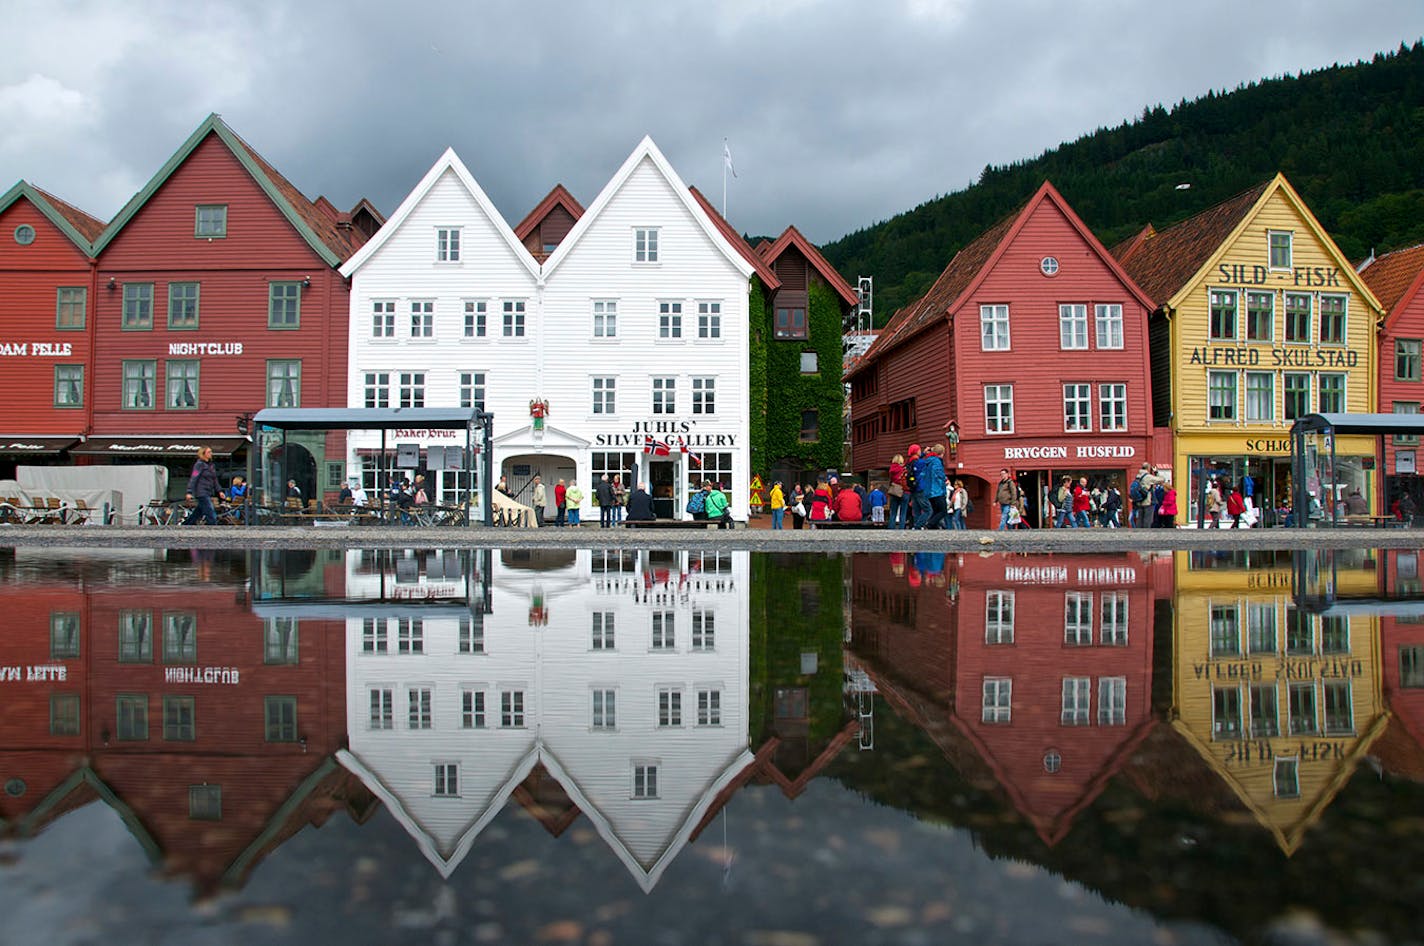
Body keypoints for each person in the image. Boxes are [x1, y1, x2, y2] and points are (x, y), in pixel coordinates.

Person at [183, 446, 219, 525]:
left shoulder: (211, 465)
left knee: (198, 512)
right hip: (201, 491)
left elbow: (214, 479)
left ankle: (186, 524)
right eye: (209, 452)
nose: (211, 454)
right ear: (203, 454)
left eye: (211, 452)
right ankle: (214, 526)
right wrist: (189, 491)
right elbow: (194, 477)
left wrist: (219, 490)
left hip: (208, 491)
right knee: (210, 511)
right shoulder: (199, 465)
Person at [920, 444, 948, 529]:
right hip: (936, 489)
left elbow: (922, 474)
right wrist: (945, 479)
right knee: (943, 511)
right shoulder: (937, 461)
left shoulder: (928, 461)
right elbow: (938, 472)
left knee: (936, 510)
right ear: (942, 453)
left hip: (928, 490)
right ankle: (929, 524)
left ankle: (933, 526)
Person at [906, 444, 928, 528]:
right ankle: (918, 526)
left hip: (913, 488)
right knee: (928, 510)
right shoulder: (920, 462)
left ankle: (916, 527)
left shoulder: (910, 461)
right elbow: (925, 462)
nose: (920, 451)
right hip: (920, 487)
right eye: (919, 450)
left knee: (916, 510)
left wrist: (924, 454)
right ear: (916, 451)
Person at [887, 454, 909, 529]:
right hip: (904, 491)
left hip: (894, 491)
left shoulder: (891, 469)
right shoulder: (903, 469)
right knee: (903, 513)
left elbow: (890, 480)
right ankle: (901, 529)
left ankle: (891, 528)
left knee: (893, 512)